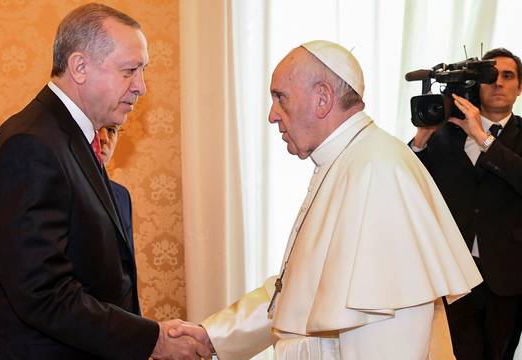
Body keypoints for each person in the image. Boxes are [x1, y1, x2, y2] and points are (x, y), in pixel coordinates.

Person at [170, 40, 482, 359]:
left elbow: (388, 335)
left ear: (322, 98)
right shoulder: (348, 161)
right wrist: (214, 336)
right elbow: (297, 288)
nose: (272, 115)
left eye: (280, 97)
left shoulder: (376, 171)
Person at [0, 3, 210, 359]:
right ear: (80, 67)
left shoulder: (68, 137)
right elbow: (43, 293)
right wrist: (151, 339)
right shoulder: (30, 144)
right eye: (130, 71)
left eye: (142, 72)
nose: (141, 87)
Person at [410, 47, 522, 360]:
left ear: (520, 87)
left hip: (509, 276)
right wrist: (420, 139)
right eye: (490, 76)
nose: (498, 82)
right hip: (453, 273)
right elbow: (411, 184)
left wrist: (484, 139)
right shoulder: (444, 134)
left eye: (508, 76)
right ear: (476, 84)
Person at [98, 125, 134, 253]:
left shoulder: (122, 195)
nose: (104, 138)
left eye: (111, 130)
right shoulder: (63, 186)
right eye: (95, 128)